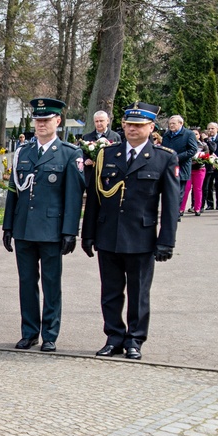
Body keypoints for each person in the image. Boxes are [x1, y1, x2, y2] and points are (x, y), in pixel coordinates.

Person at [82, 102, 180, 360]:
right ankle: (114, 337)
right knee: (110, 292)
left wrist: (166, 241)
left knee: (138, 293)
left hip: (141, 237)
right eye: (129, 124)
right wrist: (88, 233)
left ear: (150, 127)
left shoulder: (164, 158)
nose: (133, 129)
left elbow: (170, 205)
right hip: (108, 235)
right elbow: (94, 198)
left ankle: (135, 339)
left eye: (139, 125)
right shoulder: (107, 155)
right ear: (122, 126)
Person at [2, 98, 85, 352]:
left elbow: (73, 198)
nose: (40, 124)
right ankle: (29, 332)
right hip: (24, 228)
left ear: (57, 121)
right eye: (37, 120)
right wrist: (7, 226)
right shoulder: (23, 152)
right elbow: (13, 191)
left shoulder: (70, 153)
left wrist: (70, 231)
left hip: (51, 230)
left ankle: (49, 334)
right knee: (26, 283)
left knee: (51, 284)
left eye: (46, 120)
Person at [160, 115, 197, 217]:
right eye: (170, 123)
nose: (171, 125)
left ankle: (175, 214)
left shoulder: (188, 134)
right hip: (168, 166)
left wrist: (177, 157)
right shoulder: (167, 135)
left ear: (181, 124)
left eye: (173, 124)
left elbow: (193, 150)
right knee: (168, 191)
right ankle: (168, 212)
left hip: (182, 166)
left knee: (179, 192)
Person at [81, 110, 122, 187]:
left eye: (101, 121)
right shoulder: (87, 137)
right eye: (96, 121)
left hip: (108, 174)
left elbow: (119, 154)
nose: (99, 123)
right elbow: (81, 152)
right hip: (91, 174)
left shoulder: (115, 137)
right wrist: (85, 159)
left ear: (107, 121)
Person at [182, 128, 207, 216]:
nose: (194, 135)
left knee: (198, 189)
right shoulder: (185, 144)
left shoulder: (203, 145)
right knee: (186, 188)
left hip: (199, 169)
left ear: (199, 135)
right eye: (192, 134)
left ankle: (197, 208)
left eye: (196, 134)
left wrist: (200, 159)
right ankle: (181, 209)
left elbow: (207, 156)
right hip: (188, 169)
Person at [205, 122, 218, 210]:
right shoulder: (205, 139)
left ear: (217, 129)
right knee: (208, 185)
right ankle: (210, 204)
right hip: (208, 165)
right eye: (209, 129)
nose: (210, 130)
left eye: (212, 128)